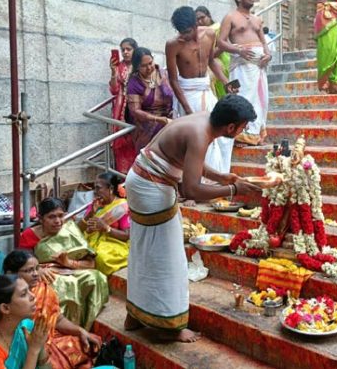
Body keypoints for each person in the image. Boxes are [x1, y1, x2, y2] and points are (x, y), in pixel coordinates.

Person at [123, 94, 261, 343]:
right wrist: (233, 190)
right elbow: (191, 190)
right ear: (231, 127)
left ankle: (135, 315)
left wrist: (222, 177)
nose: (243, 131)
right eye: (242, 127)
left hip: (141, 180)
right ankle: (169, 326)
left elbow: (189, 162)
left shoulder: (202, 121)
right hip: (152, 186)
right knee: (170, 258)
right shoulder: (200, 134)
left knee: (143, 251)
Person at [166, 6, 236, 176]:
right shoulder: (173, 45)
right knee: (197, 139)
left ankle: (218, 177)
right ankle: (196, 182)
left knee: (222, 134)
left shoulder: (210, 35)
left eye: (188, 31)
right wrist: (188, 110)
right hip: (187, 94)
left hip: (206, 91)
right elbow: (173, 81)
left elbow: (211, 61)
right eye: (181, 32)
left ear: (196, 25)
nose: (185, 36)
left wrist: (226, 82)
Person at [19, 197, 109, 330]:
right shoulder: (29, 235)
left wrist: (68, 262)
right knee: (64, 285)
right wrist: (38, 270)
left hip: (71, 269)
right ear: (40, 218)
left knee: (97, 277)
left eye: (61, 216)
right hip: (47, 274)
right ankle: (61, 329)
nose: (58, 221)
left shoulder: (69, 230)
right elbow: (23, 263)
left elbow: (91, 264)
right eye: (51, 217)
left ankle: (85, 326)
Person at [3, 250, 101, 369]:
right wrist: (35, 347)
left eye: (37, 268)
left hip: (45, 339)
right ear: (10, 274)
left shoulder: (43, 289)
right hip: (21, 346)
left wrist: (80, 331)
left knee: (88, 342)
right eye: (29, 270)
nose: (35, 274)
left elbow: (57, 320)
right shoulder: (2, 298)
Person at [217, 0, 271, 145]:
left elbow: (264, 42)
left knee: (262, 100)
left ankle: (255, 135)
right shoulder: (230, 17)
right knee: (243, 98)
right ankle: (241, 135)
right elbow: (221, 42)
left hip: (258, 66)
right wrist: (239, 51)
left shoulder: (257, 19)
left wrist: (267, 55)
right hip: (241, 66)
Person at [78, 172, 131, 276]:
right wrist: (90, 214)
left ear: (110, 189)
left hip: (113, 244)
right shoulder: (95, 205)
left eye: (98, 188)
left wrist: (106, 228)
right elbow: (79, 229)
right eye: (94, 188)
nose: (95, 191)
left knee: (101, 257)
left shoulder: (122, 207)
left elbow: (126, 236)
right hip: (90, 241)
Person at [125, 47, 175, 152]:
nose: (149, 68)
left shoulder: (164, 74)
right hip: (148, 125)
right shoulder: (134, 83)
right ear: (137, 67)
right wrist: (158, 119)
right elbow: (135, 111)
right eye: (143, 66)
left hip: (171, 118)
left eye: (150, 63)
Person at [109, 37, 139, 173]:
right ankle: (123, 178)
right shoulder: (119, 66)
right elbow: (114, 90)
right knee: (122, 142)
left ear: (135, 50)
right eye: (123, 50)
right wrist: (114, 72)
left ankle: (137, 176)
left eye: (129, 49)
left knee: (137, 141)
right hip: (121, 109)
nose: (125, 52)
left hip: (138, 107)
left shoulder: (141, 65)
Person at [195, 6, 231, 100]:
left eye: (202, 18)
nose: (200, 21)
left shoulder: (217, 28)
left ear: (209, 16)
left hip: (222, 62)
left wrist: (208, 57)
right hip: (208, 66)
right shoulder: (197, 34)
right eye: (197, 19)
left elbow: (222, 45)